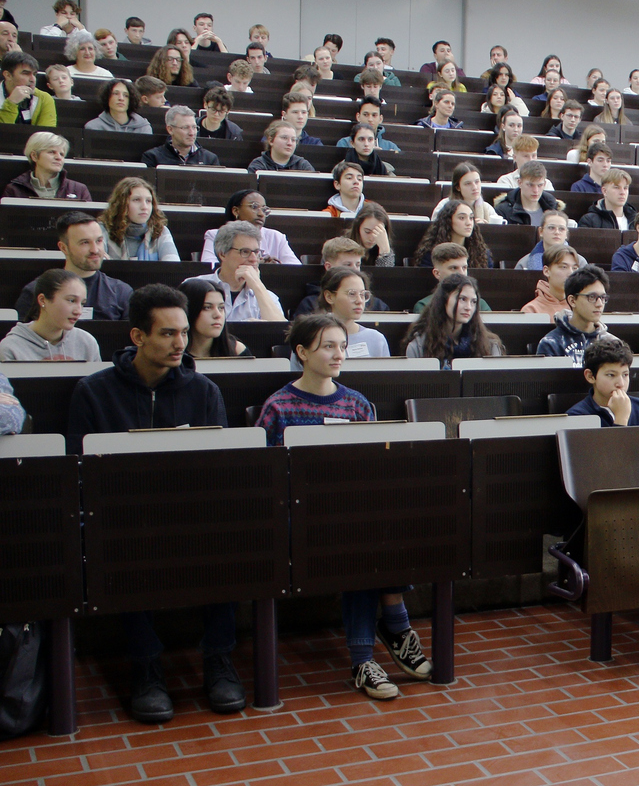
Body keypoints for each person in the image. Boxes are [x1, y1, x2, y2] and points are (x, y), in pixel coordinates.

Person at [66, 284, 241, 724]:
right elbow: (78, 468)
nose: (179, 344)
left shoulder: (203, 391)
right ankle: (146, 666)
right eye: (166, 334)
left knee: (233, 541)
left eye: (183, 332)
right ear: (137, 337)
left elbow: (222, 466)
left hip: (191, 511)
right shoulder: (94, 391)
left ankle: (219, 659)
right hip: (122, 512)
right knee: (119, 543)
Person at [256, 314, 431, 699]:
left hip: (353, 509)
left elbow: (375, 469)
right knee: (357, 535)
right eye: (328, 347)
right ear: (302, 352)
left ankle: (368, 652)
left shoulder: (356, 403)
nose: (339, 355)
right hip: (302, 514)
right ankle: (385, 636)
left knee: (375, 523)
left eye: (342, 347)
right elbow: (265, 474)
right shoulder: (278, 407)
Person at [14, 212, 131, 322]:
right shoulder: (36, 291)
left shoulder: (121, 292)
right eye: (85, 242)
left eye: (99, 241)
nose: (95, 250)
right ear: (64, 248)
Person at [184, 223, 285, 322]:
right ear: (223, 254)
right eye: (245, 252)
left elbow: (281, 332)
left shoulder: (267, 296)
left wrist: (257, 284)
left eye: (256, 252)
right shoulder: (193, 286)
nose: (254, 259)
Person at [566, 335, 639, 430]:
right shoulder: (577, 416)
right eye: (611, 375)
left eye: (625, 375)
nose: (620, 384)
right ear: (590, 376)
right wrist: (621, 419)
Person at [1, 270, 98, 361]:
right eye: (71, 300)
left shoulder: (86, 342)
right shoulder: (10, 347)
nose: (79, 311)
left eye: (82, 303)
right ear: (43, 300)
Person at [405, 273, 501, 363]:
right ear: (444, 301)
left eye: (473, 302)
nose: (469, 307)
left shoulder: (489, 346)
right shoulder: (419, 346)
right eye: (462, 299)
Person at [200, 191, 298, 267]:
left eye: (264, 210)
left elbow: (295, 268)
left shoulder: (276, 237)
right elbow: (209, 266)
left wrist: (275, 267)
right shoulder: (215, 235)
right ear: (236, 211)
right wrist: (256, 263)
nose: (261, 214)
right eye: (254, 207)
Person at [536, 266, 609, 362]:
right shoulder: (552, 343)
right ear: (572, 300)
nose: (599, 304)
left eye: (603, 297)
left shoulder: (611, 343)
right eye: (592, 297)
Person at [312, 268, 390, 358]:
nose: (359, 301)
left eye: (363, 294)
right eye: (352, 294)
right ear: (329, 297)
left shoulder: (376, 339)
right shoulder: (311, 336)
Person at [98, 176, 177, 262]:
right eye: (136, 200)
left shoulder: (160, 231)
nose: (144, 207)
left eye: (148, 201)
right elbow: (97, 267)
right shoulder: (102, 229)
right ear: (121, 203)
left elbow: (173, 269)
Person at [3, 131, 89, 201]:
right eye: (51, 152)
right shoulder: (14, 190)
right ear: (34, 156)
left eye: (62, 154)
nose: (59, 158)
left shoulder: (79, 190)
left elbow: (89, 221)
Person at [416, 199, 493, 270]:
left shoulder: (482, 253)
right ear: (448, 221)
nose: (469, 223)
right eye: (462, 218)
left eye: (471, 218)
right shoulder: (431, 253)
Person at [181, 280, 246, 358]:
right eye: (207, 307)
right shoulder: (171, 353)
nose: (218, 315)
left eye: (221, 307)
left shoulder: (236, 350)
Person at [139, 106, 220, 168]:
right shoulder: (152, 157)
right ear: (170, 129)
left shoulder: (210, 159)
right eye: (185, 128)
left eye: (194, 127)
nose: (192, 133)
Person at [520, 245, 580, 316]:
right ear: (546, 271)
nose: (571, 273)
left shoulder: (582, 307)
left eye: (575, 268)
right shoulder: (532, 310)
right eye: (564, 267)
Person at [0, 51, 56, 126]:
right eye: (26, 73)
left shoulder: (44, 98)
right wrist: (11, 103)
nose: (33, 79)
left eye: (34, 74)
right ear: (8, 75)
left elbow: (46, 135)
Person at [514, 211, 582, 272]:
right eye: (551, 228)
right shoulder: (524, 264)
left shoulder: (580, 263)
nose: (557, 232)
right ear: (541, 231)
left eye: (561, 229)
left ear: (566, 233)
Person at [85, 79, 150, 134]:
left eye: (126, 95)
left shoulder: (143, 128)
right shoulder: (93, 127)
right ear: (107, 97)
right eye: (116, 93)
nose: (121, 98)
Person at [248, 120, 314, 173]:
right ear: (271, 140)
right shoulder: (258, 165)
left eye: (293, 140)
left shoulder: (303, 165)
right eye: (284, 138)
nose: (289, 143)